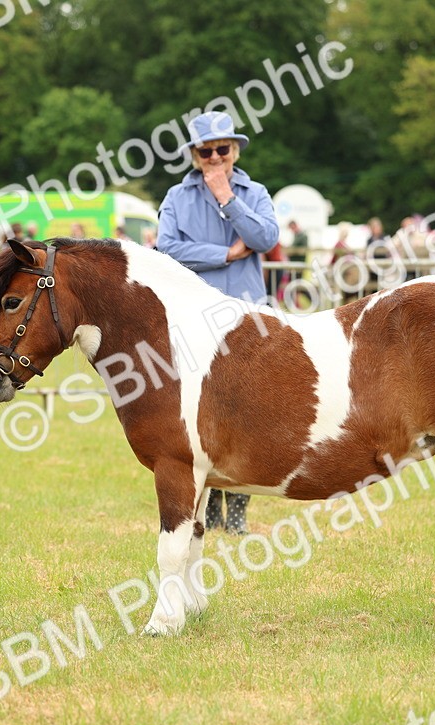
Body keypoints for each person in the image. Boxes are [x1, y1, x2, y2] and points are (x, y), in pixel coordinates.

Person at [156, 110, 279, 537]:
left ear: (235, 150)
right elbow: (168, 249)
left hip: (247, 319)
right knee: (200, 415)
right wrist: (224, 254)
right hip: (192, 319)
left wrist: (227, 198)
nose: (214, 157)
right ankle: (206, 511)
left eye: (222, 149)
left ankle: (239, 513)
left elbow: (266, 238)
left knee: (246, 412)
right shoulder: (176, 197)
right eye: (205, 151)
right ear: (194, 154)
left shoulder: (254, 192)